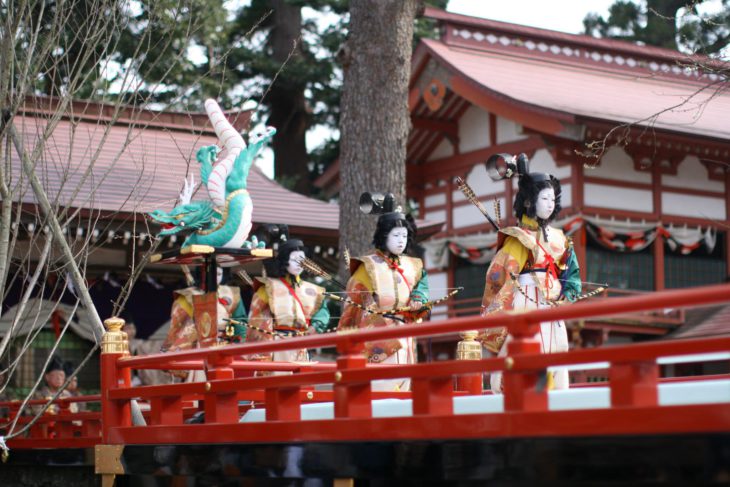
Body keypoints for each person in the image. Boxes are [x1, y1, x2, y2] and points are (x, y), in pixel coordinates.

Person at [479, 153, 581, 393]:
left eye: (552, 198)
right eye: (544, 198)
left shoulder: (559, 237)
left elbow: (570, 269)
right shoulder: (516, 238)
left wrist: (570, 291)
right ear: (529, 201)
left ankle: (556, 399)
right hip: (525, 298)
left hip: (552, 303)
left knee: (556, 352)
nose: (550, 203)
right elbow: (498, 277)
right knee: (525, 350)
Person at [338, 196, 429, 392]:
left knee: (404, 387)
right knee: (381, 388)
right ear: (384, 236)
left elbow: (422, 284)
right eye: (396, 235)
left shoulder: (413, 265)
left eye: (404, 236)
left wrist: (418, 299)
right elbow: (353, 305)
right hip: (378, 336)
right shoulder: (368, 266)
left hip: (404, 332)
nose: (401, 241)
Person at [246, 238, 330, 364]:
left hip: (302, 345)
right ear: (284, 261)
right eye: (294, 260)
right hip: (277, 347)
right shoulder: (269, 286)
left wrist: (315, 326)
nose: (299, 264)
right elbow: (256, 320)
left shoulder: (313, 290)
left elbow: (322, 313)